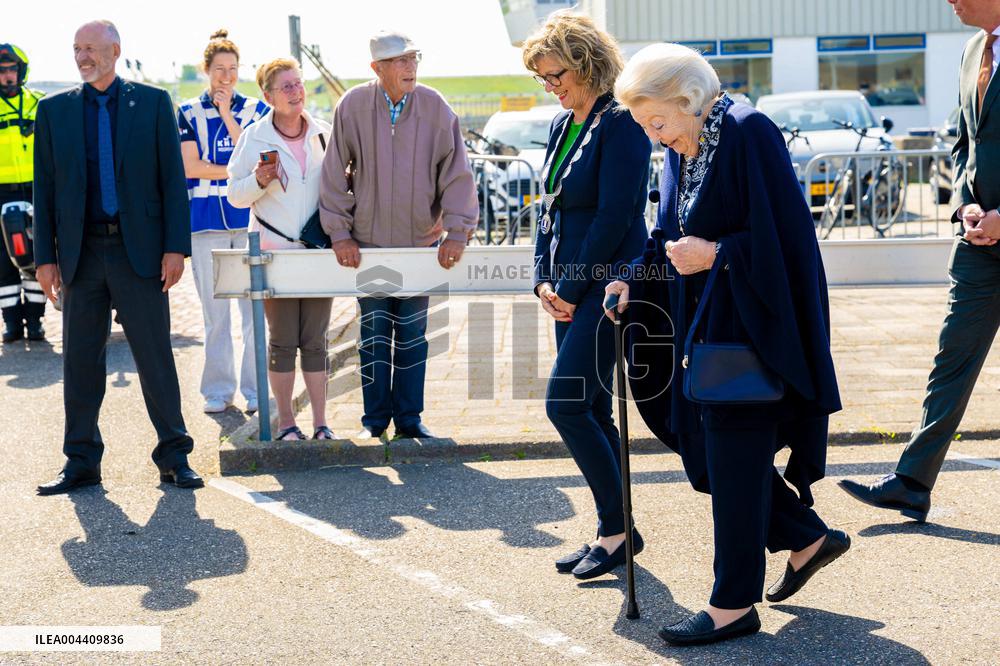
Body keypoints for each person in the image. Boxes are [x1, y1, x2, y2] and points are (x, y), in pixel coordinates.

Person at [606, 43, 846, 646]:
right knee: (709, 455)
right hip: (703, 328)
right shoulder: (680, 147)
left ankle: (732, 603)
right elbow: (666, 236)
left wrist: (718, 254)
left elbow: (789, 242)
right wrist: (631, 278)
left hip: (750, 332)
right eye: (646, 127)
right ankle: (804, 534)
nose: (657, 137)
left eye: (658, 122)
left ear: (688, 100)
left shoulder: (748, 131)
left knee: (732, 462)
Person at [840, 0, 1000, 521]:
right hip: (977, 244)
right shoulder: (973, 49)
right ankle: (912, 482)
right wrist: (964, 203)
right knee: (951, 361)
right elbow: (960, 141)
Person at [34, 20, 202, 494]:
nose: (82, 57)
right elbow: (44, 187)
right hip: (81, 255)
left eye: (90, 48)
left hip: (141, 253)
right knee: (80, 363)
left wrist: (175, 247)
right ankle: (81, 461)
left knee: (155, 358)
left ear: (115, 50)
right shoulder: (54, 111)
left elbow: (173, 179)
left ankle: (174, 456)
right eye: (76, 49)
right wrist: (46, 258)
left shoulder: (151, 104)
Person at [520, 11, 651, 581]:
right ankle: (615, 529)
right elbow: (549, 207)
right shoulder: (561, 123)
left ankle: (618, 531)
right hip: (567, 285)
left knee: (565, 405)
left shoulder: (621, 123)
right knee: (592, 408)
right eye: (542, 78)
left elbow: (615, 217)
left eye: (555, 75)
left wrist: (572, 287)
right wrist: (543, 281)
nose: (550, 86)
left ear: (586, 64)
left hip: (605, 285)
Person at [319, 30, 477, 441]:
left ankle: (409, 419)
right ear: (377, 69)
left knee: (411, 336)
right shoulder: (353, 105)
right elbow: (335, 172)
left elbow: (457, 173)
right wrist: (339, 233)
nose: (410, 67)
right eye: (400, 61)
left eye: (414, 58)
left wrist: (457, 231)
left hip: (420, 246)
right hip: (367, 247)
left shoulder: (435, 106)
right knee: (372, 335)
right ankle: (374, 423)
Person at [227, 58, 334, 442]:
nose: (295, 92)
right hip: (275, 255)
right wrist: (258, 179)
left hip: (318, 254)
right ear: (268, 95)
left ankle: (322, 423)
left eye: (299, 84)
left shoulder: (323, 133)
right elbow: (235, 195)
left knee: (317, 342)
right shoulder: (254, 137)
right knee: (283, 341)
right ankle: (288, 423)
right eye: (286, 87)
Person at [178, 29, 269, 415]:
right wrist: (235, 174)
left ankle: (254, 390)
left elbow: (255, 161)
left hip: (249, 222)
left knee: (254, 313)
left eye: (232, 69)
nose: (226, 78)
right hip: (204, 224)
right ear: (206, 70)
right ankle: (217, 390)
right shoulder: (185, 112)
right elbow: (190, 166)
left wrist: (229, 116)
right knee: (215, 317)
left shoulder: (256, 111)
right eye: (219, 70)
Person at [0, 43, 45, 342]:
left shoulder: (40, 103)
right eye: (1, 71)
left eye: (12, 69)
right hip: (1, 193)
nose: (7, 76)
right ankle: (12, 325)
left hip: (34, 191)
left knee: (36, 258)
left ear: (21, 71)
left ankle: (36, 322)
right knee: (3, 263)